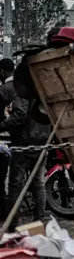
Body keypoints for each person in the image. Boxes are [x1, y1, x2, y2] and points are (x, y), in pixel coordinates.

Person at [0, 63, 51, 228]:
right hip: (43, 141)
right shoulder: (44, 88)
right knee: (38, 183)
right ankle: (38, 222)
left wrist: (2, 125)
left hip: (25, 141)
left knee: (16, 184)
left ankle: (13, 224)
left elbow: (20, 115)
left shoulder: (22, 90)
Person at [0, 58, 14, 217]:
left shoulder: (3, 90)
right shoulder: (23, 87)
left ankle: (5, 213)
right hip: (19, 138)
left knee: (4, 180)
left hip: (3, 139)